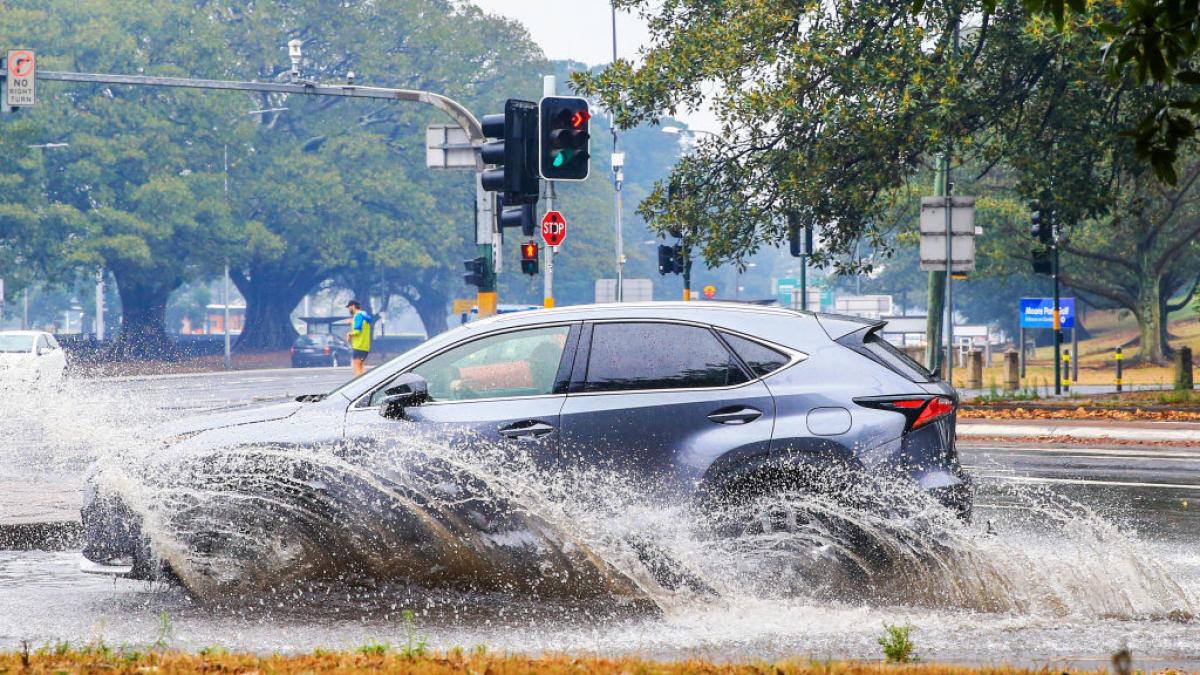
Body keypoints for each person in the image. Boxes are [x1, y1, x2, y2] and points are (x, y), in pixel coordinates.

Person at [345, 300, 373, 376]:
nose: (348, 309)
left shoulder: (358, 316)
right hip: (365, 347)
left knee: (356, 367)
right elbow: (362, 326)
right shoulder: (364, 315)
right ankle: (368, 383)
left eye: (349, 307)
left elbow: (357, 331)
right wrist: (352, 321)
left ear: (353, 306)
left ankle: (361, 385)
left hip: (358, 346)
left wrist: (349, 334)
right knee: (361, 367)